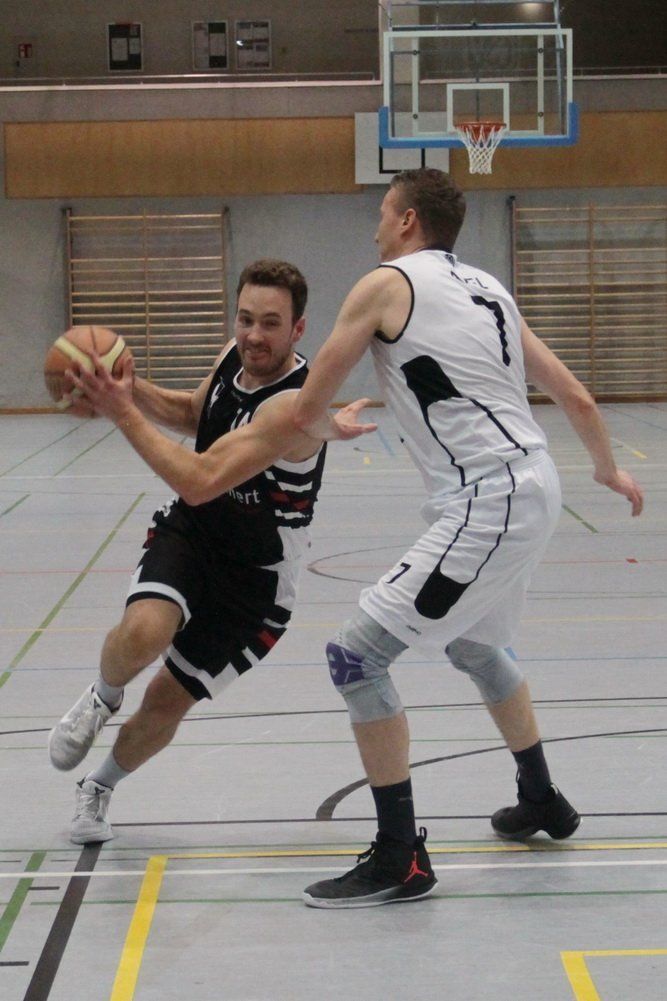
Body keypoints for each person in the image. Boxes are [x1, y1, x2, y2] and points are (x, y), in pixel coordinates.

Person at [292, 169, 644, 909]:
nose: (375, 227)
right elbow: (575, 395)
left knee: (356, 657)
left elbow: (307, 404)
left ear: (408, 221)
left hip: (489, 500)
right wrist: (606, 469)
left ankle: (400, 858)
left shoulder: (384, 284)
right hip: (534, 484)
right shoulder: (489, 290)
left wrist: (328, 426)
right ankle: (540, 797)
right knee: (476, 648)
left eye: (383, 213)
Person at [48, 258, 375, 844]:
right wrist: (124, 386)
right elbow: (192, 414)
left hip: (256, 580)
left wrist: (119, 409)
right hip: (195, 533)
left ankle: (98, 786)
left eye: (270, 323)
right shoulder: (233, 358)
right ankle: (101, 695)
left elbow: (199, 478)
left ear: (298, 330)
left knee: (165, 700)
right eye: (246, 319)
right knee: (143, 631)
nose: (254, 335)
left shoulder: (293, 406)